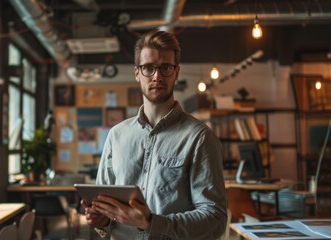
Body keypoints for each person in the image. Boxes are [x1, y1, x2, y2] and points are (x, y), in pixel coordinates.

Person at [82, 30, 228, 240]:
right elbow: (105, 208)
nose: (157, 76)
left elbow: (215, 219)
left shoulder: (200, 138)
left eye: (166, 68)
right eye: (149, 68)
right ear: (137, 73)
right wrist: (101, 219)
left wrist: (151, 223)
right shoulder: (117, 136)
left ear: (176, 72)